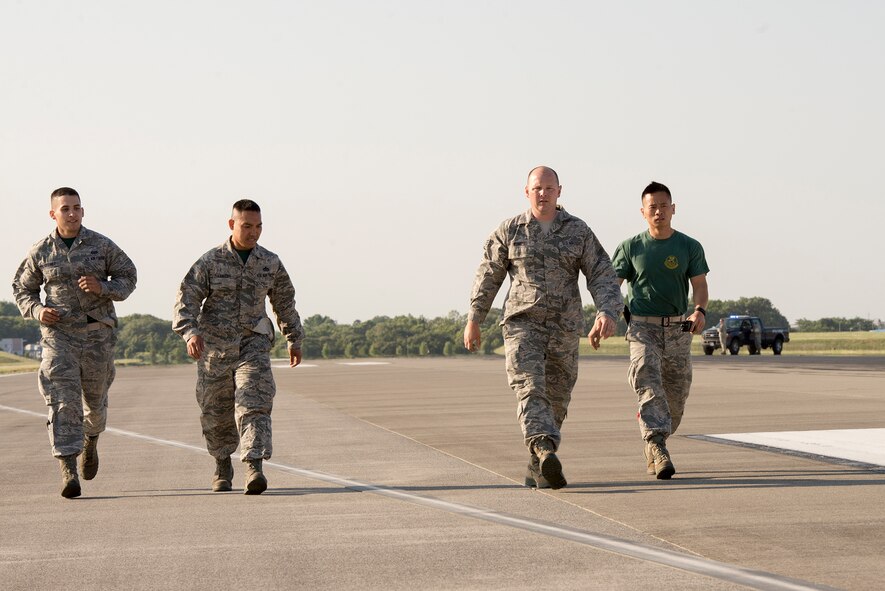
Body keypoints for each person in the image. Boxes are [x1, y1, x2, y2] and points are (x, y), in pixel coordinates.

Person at [463, 166, 623, 490]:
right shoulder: (510, 230)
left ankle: (537, 464)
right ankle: (543, 447)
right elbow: (488, 275)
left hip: (564, 327)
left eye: (549, 188)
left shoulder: (578, 231)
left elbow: (602, 273)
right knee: (529, 386)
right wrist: (474, 319)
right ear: (526, 191)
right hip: (523, 323)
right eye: (537, 188)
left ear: (559, 191)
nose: (543, 194)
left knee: (558, 398)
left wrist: (607, 312)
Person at [12, 187, 137, 498]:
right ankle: (67, 468)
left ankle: (90, 440)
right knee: (62, 402)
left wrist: (103, 286)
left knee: (94, 403)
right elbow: (22, 290)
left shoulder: (102, 245)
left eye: (77, 208)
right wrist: (38, 310)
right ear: (53, 213)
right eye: (65, 208)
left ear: (83, 211)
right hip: (59, 337)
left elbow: (129, 277)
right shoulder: (41, 251)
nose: (72, 213)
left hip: (97, 336)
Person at [173, 199, 304, 495]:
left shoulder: (270, 262)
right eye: (247, 226)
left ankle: (254, 465)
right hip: (214, 348)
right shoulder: (210, 261)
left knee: (253, 400)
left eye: (258, 227)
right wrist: (190, 333)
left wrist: (294, 337)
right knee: (215, 411)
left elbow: (284, 302)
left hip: (253, 343)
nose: (253, 232)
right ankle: (222, 464)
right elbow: (187, 299)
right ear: (232, 224)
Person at [612, 181, 709, 479]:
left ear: (673, 209)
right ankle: (656, 445)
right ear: (643, 212)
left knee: (676, 399)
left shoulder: (689, 246)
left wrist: (699, 311)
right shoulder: (630, 248)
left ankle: (656, 439)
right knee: (649, 386)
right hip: (643, 329)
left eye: (663, 206)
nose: (658, 212)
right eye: (652, 207)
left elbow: (700, 286)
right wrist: (608, 314)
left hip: (679, 330)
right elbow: (611, 287)